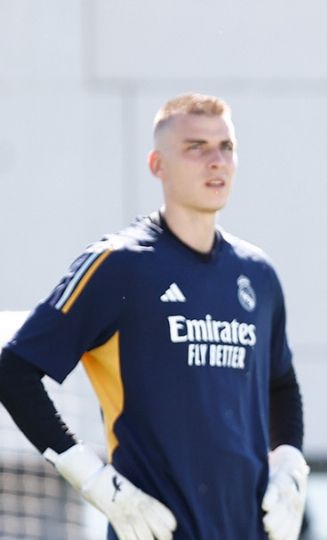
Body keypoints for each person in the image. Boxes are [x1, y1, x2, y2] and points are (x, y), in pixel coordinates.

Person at [0, 94, 309, 540]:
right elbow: (15, 369)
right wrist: (94, 481)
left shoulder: (257, 274)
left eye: (227, 146)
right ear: (157, 164)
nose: (216, 160)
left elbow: (281, 383)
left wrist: (291, 467)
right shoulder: (118, 264)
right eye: (196, 147)